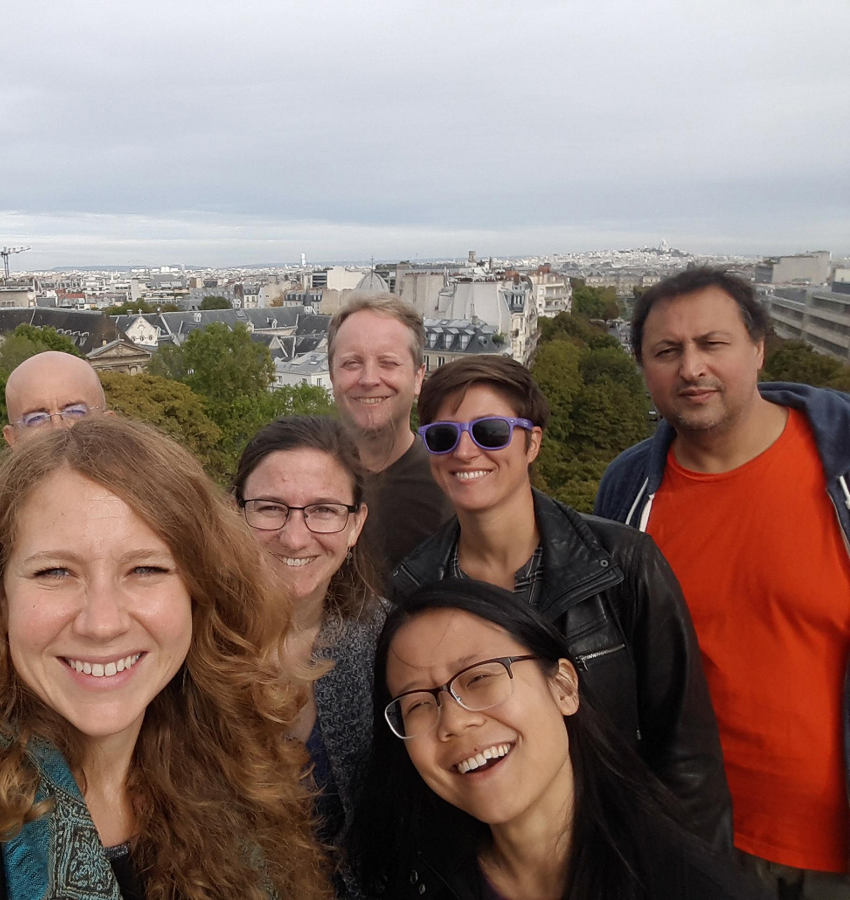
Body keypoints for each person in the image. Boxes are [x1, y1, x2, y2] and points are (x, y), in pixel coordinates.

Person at [0, 417, 333, 900]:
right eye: (55, 572)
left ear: (199, 593)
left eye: (145, 569)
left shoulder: (233, 767)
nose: (102, 623)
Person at [392, 356, 731, 847]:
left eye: (490, 432)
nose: (464, 452)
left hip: (615, 844)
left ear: (532, 443)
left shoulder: (623, 563)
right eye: (443, 436)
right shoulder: (413, 588)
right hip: (487, 852)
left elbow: (686, 750)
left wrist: (690, 871)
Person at [594, 267, 850, 897]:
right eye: (667, 351)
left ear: (758, 348)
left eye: (712, 344)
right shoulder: (627, 491)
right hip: (697, 839)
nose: (691, 368)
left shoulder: (842, 466)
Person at [351, 581, 765, 900]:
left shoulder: (695, 887)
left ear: (564, 687)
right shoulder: (411, 877)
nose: (454, 722)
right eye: (418, 704)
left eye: (479, 678)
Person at [232, 416, 380, 899]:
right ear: (235, 514)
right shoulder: (183, 640)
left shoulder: (391, 645)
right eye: (270, 508)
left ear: (355, 524)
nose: (295, 537)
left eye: (323, 510)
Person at [0, 350, 109, 590]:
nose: (58, 427)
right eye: (37, 418)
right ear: (13, 439)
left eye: (75, 411)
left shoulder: (156, 526)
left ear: (109, 423)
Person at [328, 293, 453, 573]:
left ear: (418, 377)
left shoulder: (452, 485)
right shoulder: (301, 483)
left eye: (388, 363)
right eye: (351, 363)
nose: (369, 379)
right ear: (332, 375)